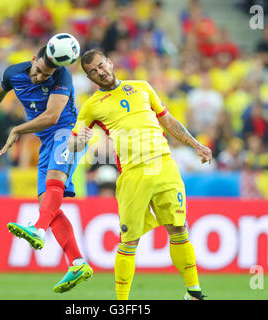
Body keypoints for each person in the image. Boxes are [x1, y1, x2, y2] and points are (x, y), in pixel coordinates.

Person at [67, 49, 212, 300]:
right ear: (90, 78)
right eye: (93, 72)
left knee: (178, 229)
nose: (100, 72)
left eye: (101, 65)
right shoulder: (91, 106)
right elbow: (72, 144)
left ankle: (194, 292)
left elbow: (168, 121)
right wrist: (80, 140)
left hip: (165, 166)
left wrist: (195, 144)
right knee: (129, 240)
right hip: (133, 174)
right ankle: (122, 301)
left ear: (110, 63)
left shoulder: (142, 87)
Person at [0, 45, 93, 293]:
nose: (39, 78)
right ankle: (78, 262)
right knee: (46, 202)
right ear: (32, 60)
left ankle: (38, 229)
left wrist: (17, 129)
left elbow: (52, 116)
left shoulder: (63, 76)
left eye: (45, 76)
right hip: (46, 141)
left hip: (68, 133)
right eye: (38, 71)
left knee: (53, 182)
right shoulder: (13, 73)